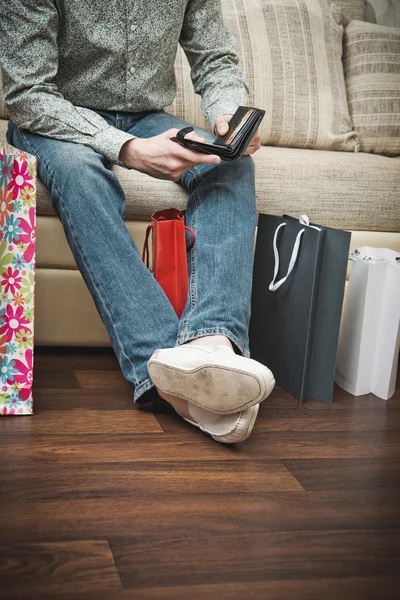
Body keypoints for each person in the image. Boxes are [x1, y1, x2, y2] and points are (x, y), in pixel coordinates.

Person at [0, 0, 275, 443]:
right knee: (79, 172)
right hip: (57, 116)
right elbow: (27, 93)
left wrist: (231, 116)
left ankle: (210, 343)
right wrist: (124, 147)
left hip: (148, 117)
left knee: (231, 166)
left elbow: (215, 59)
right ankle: (165, 368)